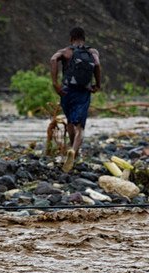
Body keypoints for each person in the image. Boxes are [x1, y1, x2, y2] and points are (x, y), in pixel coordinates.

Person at [50, 27, 102, 172]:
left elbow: (53, 59)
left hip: (66, 92)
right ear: (84, 38)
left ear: (71, 38)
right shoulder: (92, 52)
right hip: (83, 92)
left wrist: (55, 84)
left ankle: (72, 149)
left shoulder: (65, 52)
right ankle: (74, 150)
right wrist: (97, 84)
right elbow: (97, 64)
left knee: (70, 122)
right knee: (80, 126)